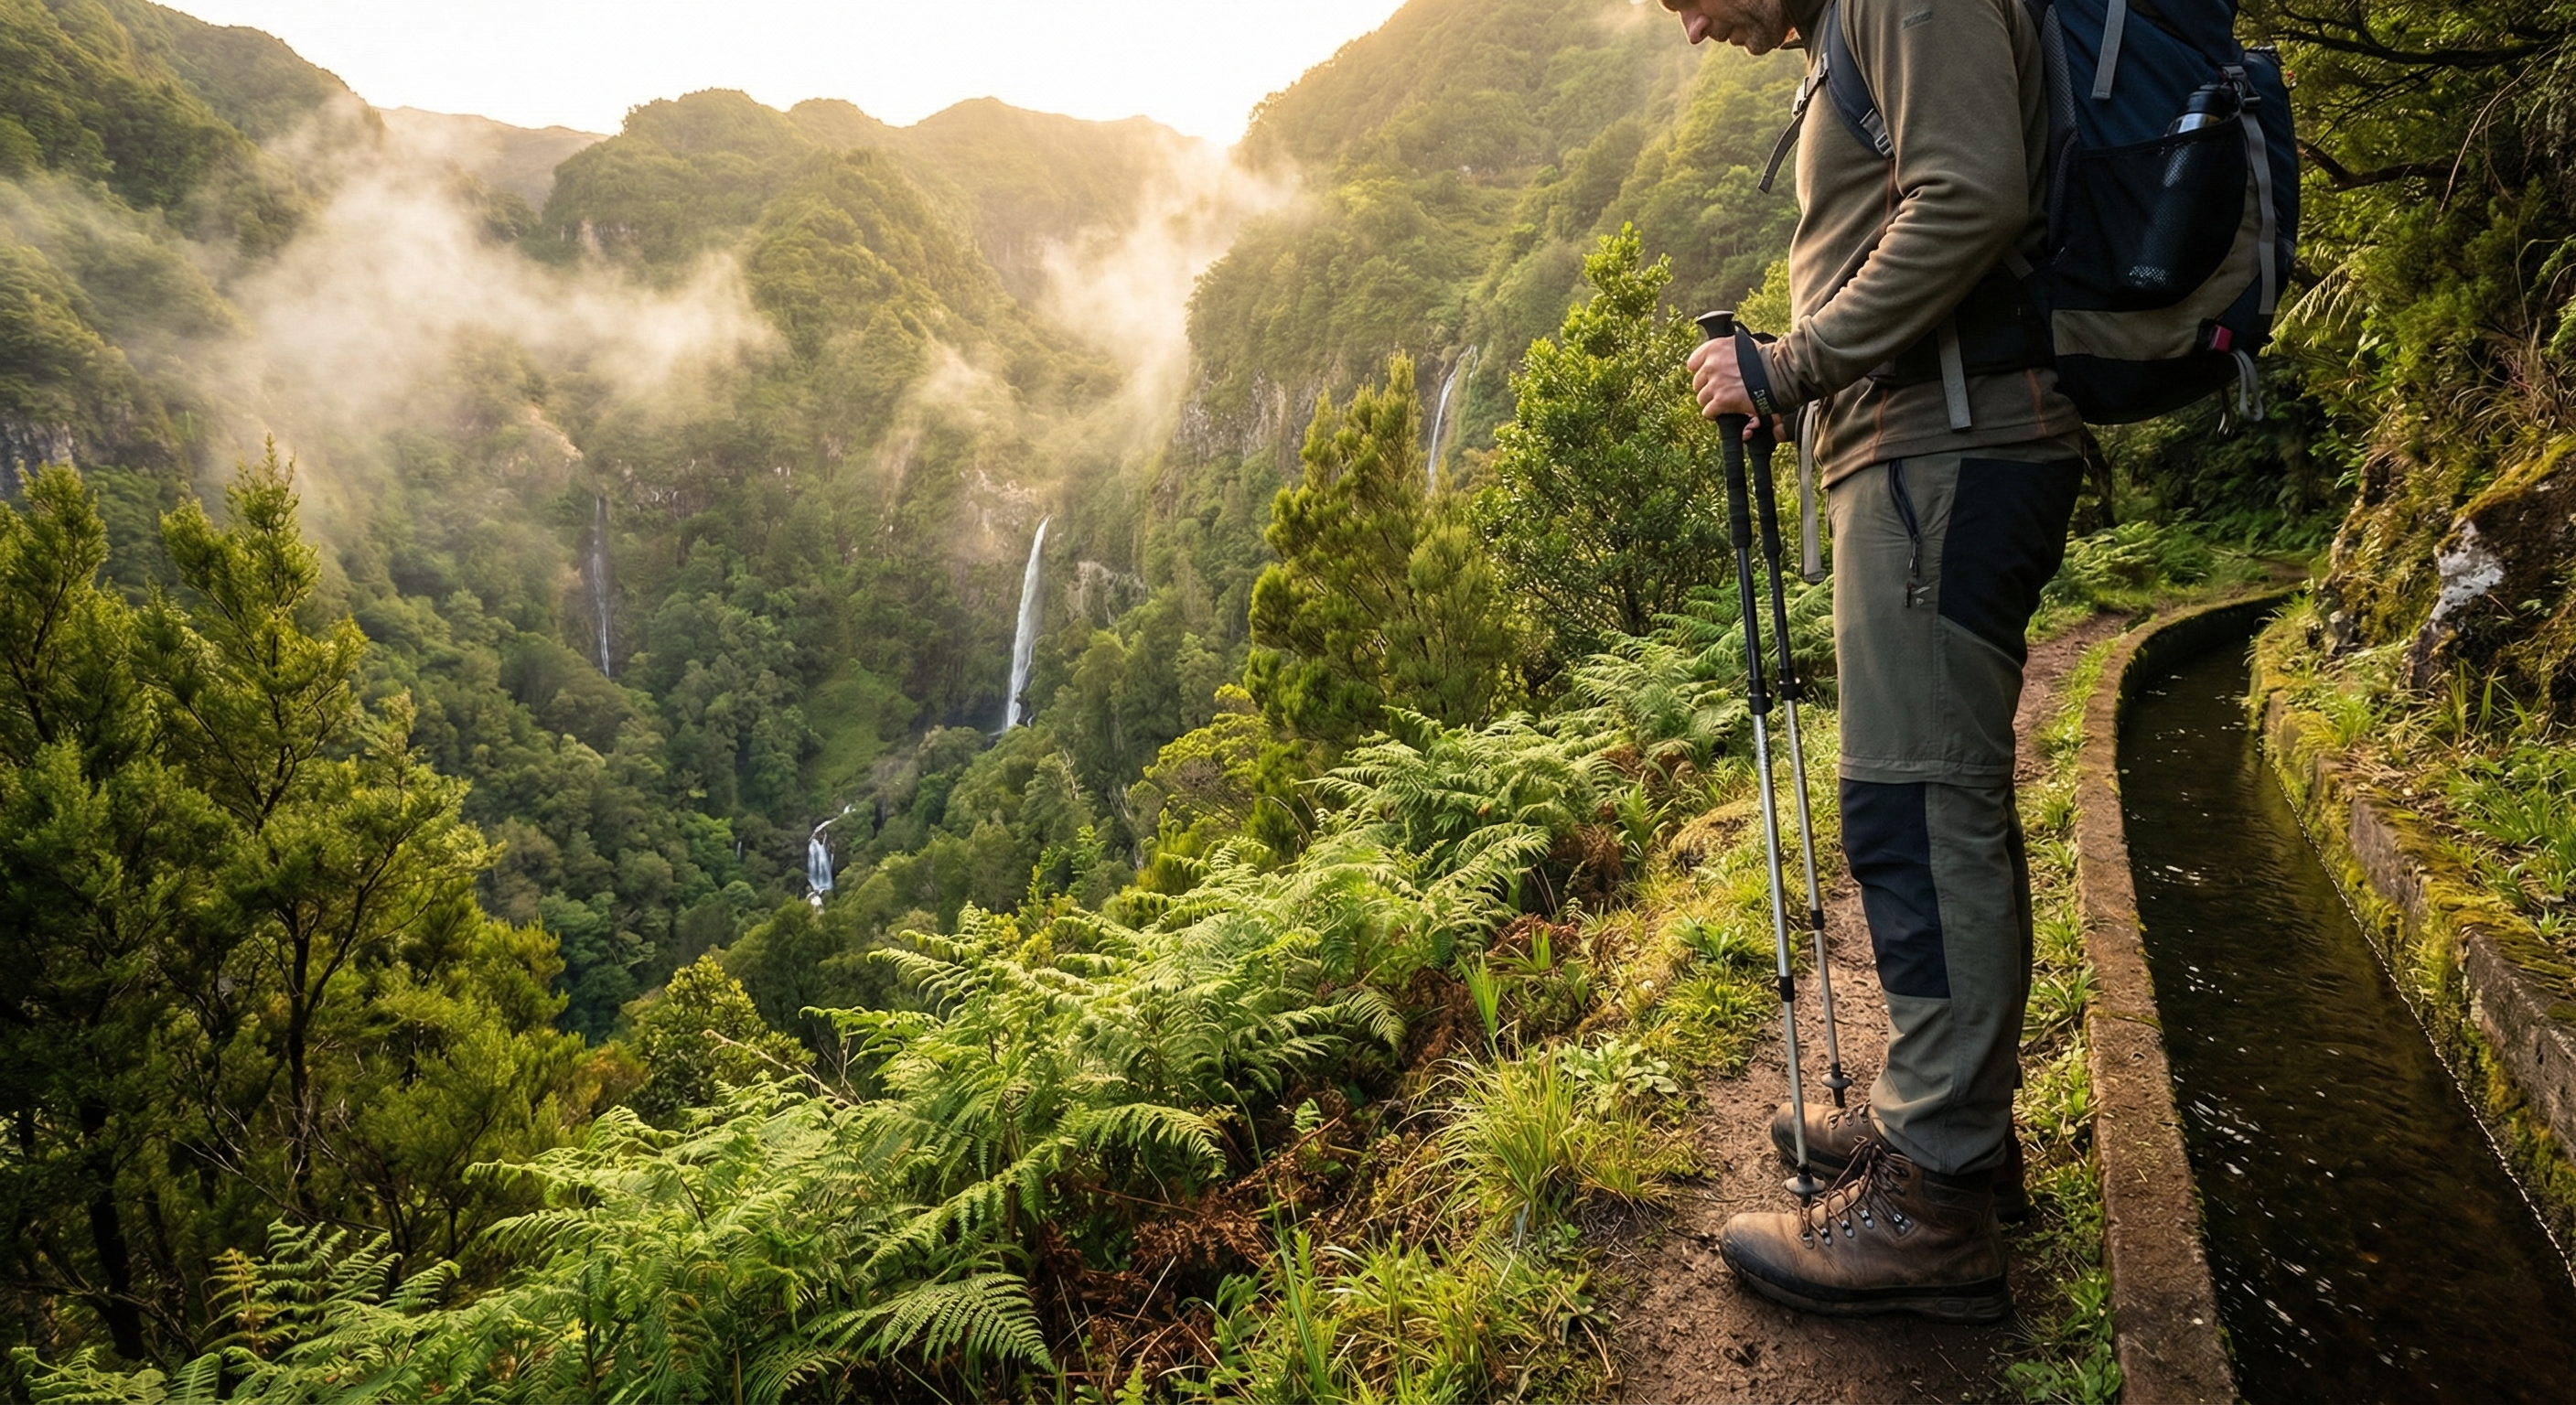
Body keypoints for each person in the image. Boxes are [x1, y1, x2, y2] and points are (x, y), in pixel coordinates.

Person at [1667, 0, 2087, 1322]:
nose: (1686, 27)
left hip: (1945, 453)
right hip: (1919, 453)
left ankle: (1936, 1205)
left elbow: (1969, 196)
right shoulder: (1849, 21)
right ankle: (1945, 1124)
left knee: (1916, 804)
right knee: (1927, 799)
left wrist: (1788, 368)